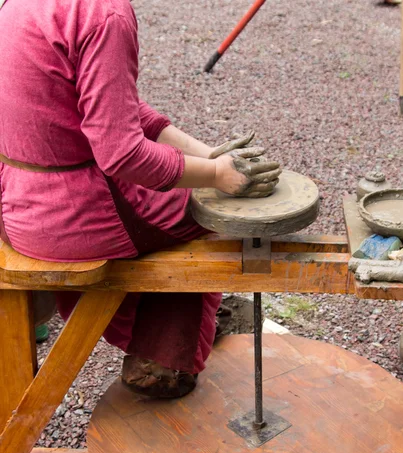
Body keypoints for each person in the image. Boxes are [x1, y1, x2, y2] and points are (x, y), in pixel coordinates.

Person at [0, 0, 281, 398]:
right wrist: (218, 176)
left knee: (190, 188)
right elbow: (122, 154)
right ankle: (164, 358)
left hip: (17, 205)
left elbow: (116, 110)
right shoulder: (103, 13)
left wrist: (208, 158)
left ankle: (158, 344)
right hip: (72, 218)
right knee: (210, 214)